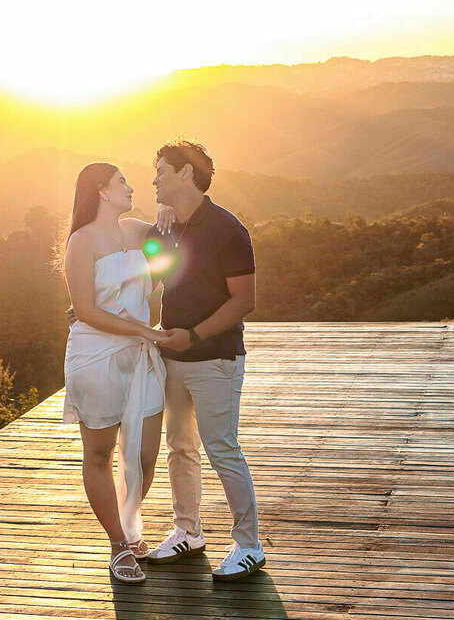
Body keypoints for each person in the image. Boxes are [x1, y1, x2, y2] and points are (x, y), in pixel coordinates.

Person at [145, 140, 267, 581]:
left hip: (214, 358)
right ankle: (188, 531)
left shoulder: (228, 229)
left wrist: (193, 336)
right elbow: (153, 281)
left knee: (221, 448)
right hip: (172, 358)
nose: (154, 178)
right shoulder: (168, 226)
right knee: (180, 447)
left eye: (161, 170)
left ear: (186, 174)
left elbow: (244, 301)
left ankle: (249, 545)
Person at [61, 162, 170, 585]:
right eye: (122, 181)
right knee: (100, 455)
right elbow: (85, 310)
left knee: (143, 456)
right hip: (97, 354)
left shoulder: (137, 231)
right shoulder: (81, 242)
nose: (131, 186)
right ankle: (118, 544)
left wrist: (166, 221)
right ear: (102, 191)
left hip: (141, 351)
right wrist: (145, 329)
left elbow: (172, 237)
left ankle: (127, 524)